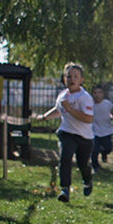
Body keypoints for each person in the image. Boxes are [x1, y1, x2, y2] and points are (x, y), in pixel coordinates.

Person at [37, 62, 94, 203]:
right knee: (65, 158)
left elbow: (88, 118)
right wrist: (44, 117)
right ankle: (64, 189)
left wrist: (69, 109)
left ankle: (87, 180)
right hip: (67, 133)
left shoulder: (85, 97)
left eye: (75, 76)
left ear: (81, 80)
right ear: (64, 79)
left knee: (83, 164)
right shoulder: (62, 96)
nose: (71, 79)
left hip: (84, 137)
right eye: (68, 76)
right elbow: (58, 110)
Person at [90, 84, 113, 172]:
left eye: (100, 92)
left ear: (103, 94)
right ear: (92, 94)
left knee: (108, 147)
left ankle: (104, 153)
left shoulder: (107, 104)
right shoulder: (90, 105)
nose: (97, 95)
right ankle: (95, 166)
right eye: (95, 93)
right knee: (94, 149)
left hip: (106, 130)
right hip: (94, 131)